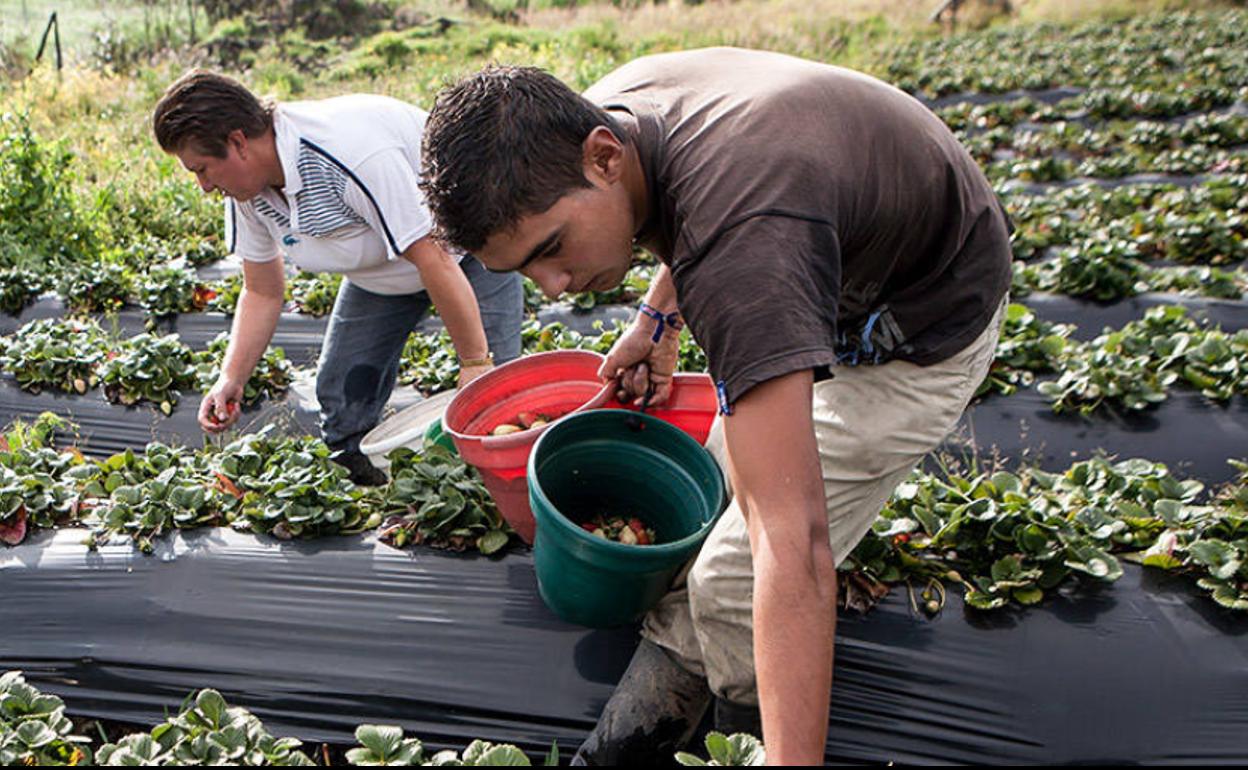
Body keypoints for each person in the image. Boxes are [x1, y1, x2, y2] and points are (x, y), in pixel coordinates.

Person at [419, 48, 1011, 764]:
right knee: (705, 513)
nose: (554, 286)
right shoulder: (601, 123)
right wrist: (656, 321)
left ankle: (746, 739)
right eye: (525, 271)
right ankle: (655, 720)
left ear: (604, 157)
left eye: (553, 248)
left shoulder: (745, 247)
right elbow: (696, 200)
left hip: (926, 325)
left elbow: (796, 545)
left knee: (738, 576)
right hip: (828, 260)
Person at [152, 71, 523, 484]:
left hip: (467, 253)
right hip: (379, 274)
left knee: (493, 397)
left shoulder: (348, 154)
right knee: (340, 400)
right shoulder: (247, 192)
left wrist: (474, 362)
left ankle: (495, 496)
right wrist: (230, 379)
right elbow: (261, 290)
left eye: (202, 169)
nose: (203, 186)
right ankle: (377, 492)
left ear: (238, 142)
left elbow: (433, 258)